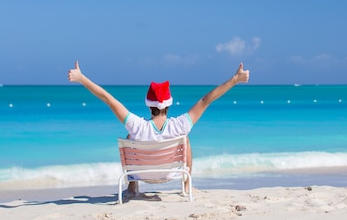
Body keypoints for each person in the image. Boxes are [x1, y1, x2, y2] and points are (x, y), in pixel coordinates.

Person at [67, 60, 249, 197]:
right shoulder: (180, 125)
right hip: (172, 174)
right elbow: (206, 99)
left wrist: (81, 78)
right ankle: (186, 185)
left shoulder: (137, 125)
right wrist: (235, 79)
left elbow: (108, 99)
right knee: (185, 138)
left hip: (141, 175)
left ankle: (132, 186)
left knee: (129, 135)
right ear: (169, 104)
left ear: (148, 104)